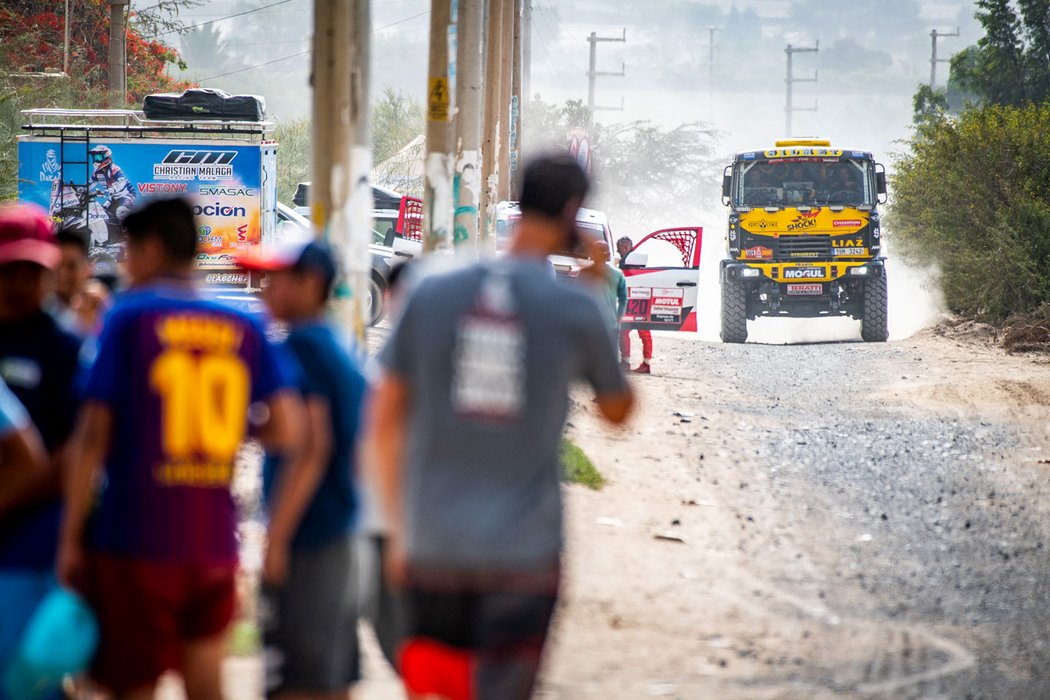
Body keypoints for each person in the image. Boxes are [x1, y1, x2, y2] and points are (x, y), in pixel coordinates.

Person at [369, 152, 635, 700]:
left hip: (433, 547)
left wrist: (396, 530)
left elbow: (383, 417)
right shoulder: (574, 308)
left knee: (436, 692)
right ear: (572, 210)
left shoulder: (432, 292)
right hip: (523, 556)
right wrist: (600, 292)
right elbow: (617, 411)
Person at [57, 197, 303, 700]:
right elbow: (287, 429)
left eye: (128, 249)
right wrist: (228, 430)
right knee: (208, 686)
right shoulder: (244, 324)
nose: (123, 262)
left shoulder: (128, 317)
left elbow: (91, 436)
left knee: (134, 687)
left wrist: (69, 537)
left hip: (135, 539)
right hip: (213, 543)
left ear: (152, 248)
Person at [238, 238, 370, 700]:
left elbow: (311, 447)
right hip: (338, 532)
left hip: (309, 539)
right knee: (330, 678)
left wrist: (278, 539)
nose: (263, 290)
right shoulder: (335, 340)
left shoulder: (303, 347)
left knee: (296, 682)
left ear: (310, 284)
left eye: (275, 279)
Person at [0, 204, 83, 671]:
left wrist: (10, 497)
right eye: (9, 268)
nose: (20, 283)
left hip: (36, 539)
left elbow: (80, 451)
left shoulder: (66, 347)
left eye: (32, 269)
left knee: (24, 676)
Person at [49, 227, 110, 338]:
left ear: (88, 268)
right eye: (56, 266)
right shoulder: (33, 314)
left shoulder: (102, 309)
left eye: (71, 266)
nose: (63, 274)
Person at [615, 236, 654, 374]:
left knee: (625, 331)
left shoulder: (629, 259)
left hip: (633, 301)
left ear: (625, 248)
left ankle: (627, 363)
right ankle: (646, 364)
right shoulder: (635, 258)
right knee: (643, 332)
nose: (617, 251)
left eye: (619, 249)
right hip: (641, 300)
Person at [87, 145, 135, 245]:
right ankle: (111, 238)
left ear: (106, 157)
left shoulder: (114, 168)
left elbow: (121, 181)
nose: (96, 160)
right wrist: (79, 190)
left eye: (99, 157)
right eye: (94, 157)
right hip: (113, 198)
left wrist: (112, 189)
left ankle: (129, 239)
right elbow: (89, 184)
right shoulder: (96, 173)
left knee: (121, 212)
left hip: (126, 196)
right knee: (101, 214)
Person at [578, 239, 626, 334]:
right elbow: (623, 299)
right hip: (609, 323)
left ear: (592, 255)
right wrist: (619, 318)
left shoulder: (584, 273)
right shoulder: (618, 274)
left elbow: (577, 298)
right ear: (608, 256)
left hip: (589, 323)